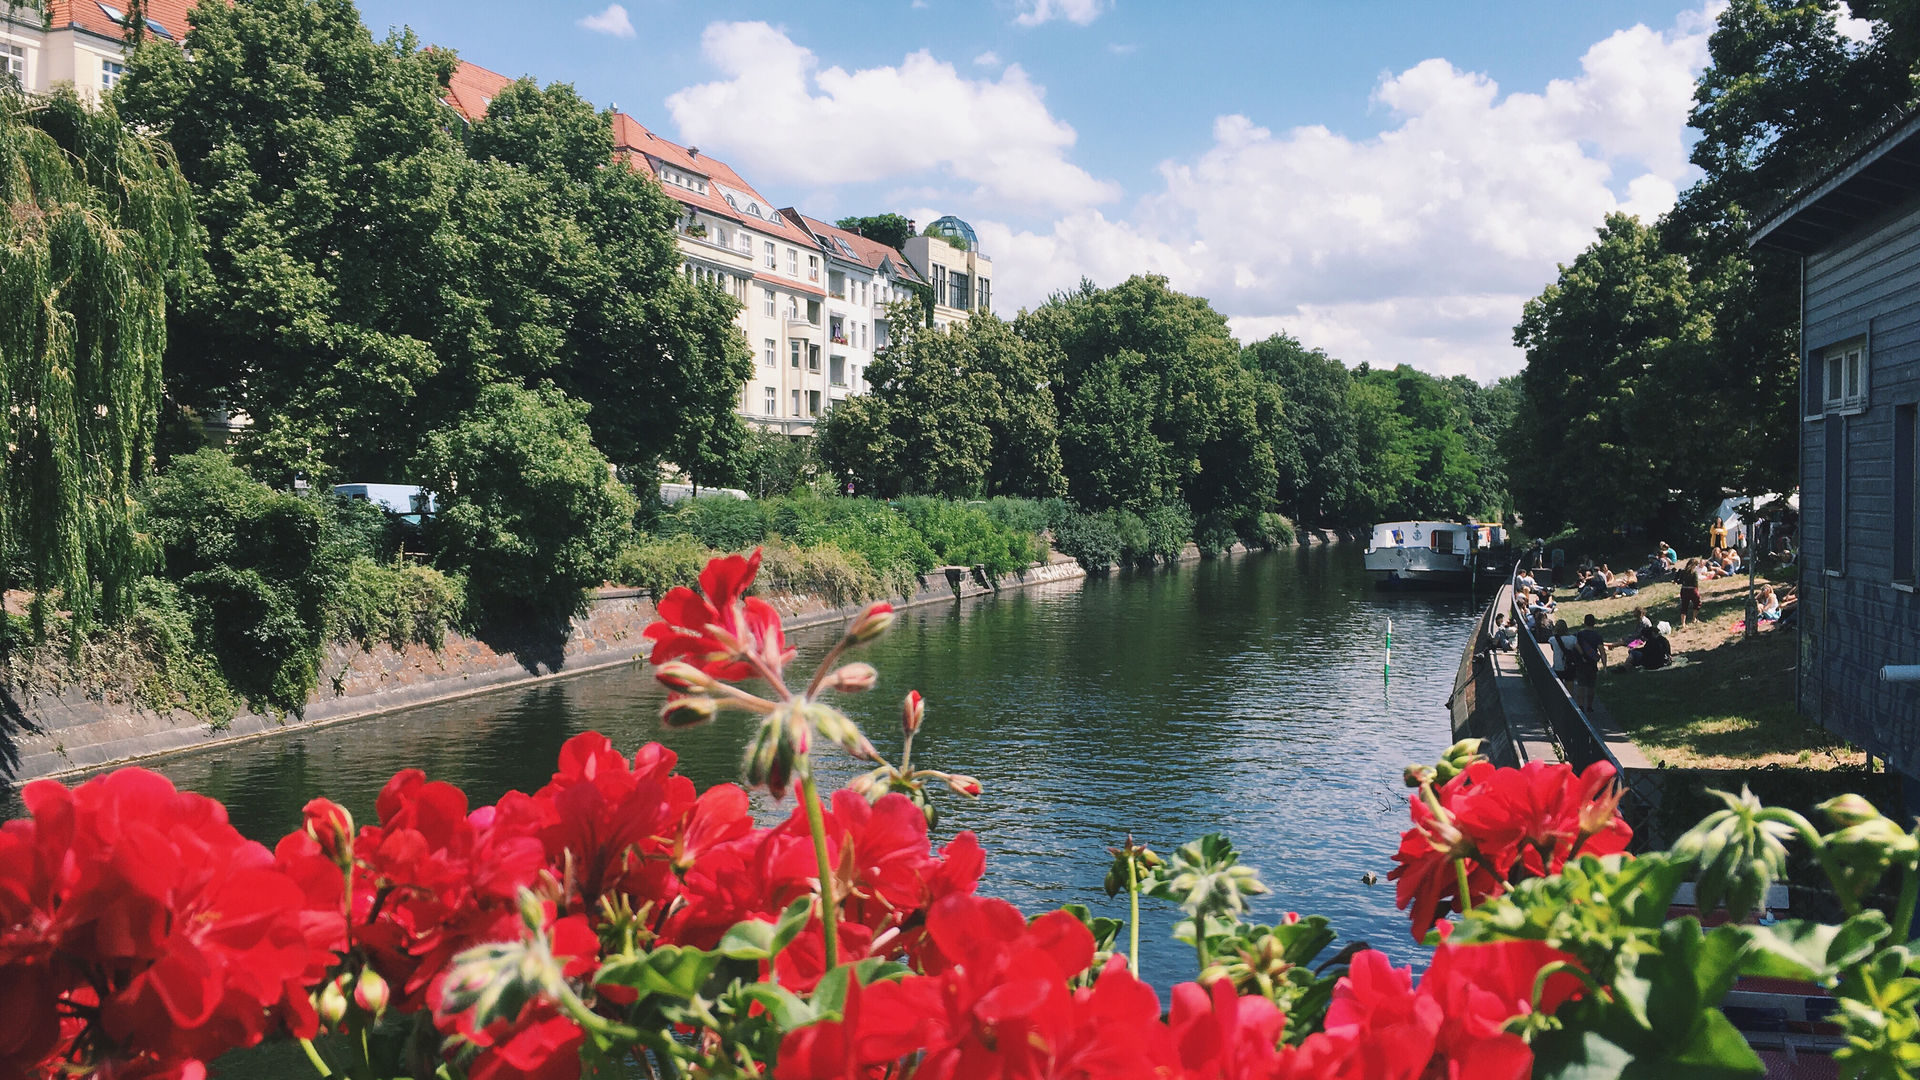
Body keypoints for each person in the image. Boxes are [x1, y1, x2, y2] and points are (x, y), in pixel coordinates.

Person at [1574, 614, 1607, 710]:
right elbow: (1602, 652)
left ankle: (1580, 705)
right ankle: (1589, 706)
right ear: (1594, 623)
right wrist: (1604, 666)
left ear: (1584, 622)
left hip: (1581, 663)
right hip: (1592, 664)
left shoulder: (1579, 634)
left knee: (1581, 685)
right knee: (1591, 686)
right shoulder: (1597, 636)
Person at [1677, 558, 1702, 625]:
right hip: (1692, 590)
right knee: (1697, 603)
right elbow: (1695, 583)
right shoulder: (1694, 573)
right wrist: (1697, 590)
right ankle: (1694, 618)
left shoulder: (1683, 571)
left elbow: (1680, 581)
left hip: (1684, 589)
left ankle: (1683, 623)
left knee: (1684, 606)